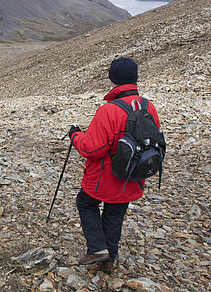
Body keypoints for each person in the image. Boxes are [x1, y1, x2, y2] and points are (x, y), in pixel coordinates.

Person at [68, 57, 161, 274]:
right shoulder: (149, 107)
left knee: (86, 203)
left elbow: (91, 149)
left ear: (113, 79)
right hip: (133, 176)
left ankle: (99, 249)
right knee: (114, 215)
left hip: (104, 178)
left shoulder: (108, 110)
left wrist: (75, 136)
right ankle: (109, 259)